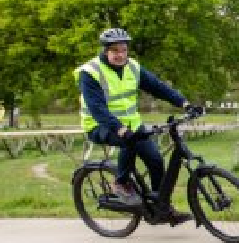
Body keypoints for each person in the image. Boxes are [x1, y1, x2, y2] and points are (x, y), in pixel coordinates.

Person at [75, 27, 200, 224]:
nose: (120, 55)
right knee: (129, 142)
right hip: (99, 126)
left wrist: (184, 103)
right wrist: (120, 129)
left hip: (132, 125)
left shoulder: (132, 67)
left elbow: (157, 87)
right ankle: (121, 183)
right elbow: (98, 109)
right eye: (115, 50)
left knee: (156, 161)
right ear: (105, 50)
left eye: (124, 50)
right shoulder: (90, 73)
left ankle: (162, 207)